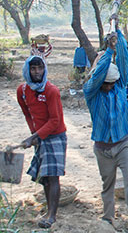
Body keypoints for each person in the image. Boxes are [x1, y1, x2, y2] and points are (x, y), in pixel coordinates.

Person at [83, 28, 128, 233]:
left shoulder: (119, 85)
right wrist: (108, 51)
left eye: (112, 83)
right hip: (102, 147)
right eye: (106, 83)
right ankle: (108, 219)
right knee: (107, 185)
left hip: (124, 142)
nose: (109, 87)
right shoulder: (91, 91)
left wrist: (116, 36)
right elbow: (100, 73)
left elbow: (123, 64)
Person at [15, 56, 67, 229]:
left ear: (44, 69)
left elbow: (54, 120)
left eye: (40, 68)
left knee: (53, 175)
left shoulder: (51, 91)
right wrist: (34, 135)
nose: (37, 72)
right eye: (33, 69)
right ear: (27, 71)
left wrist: (34, 137)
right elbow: (28, 114)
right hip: (40, 135)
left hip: (56, 136)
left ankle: (52, 215)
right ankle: (49, 210)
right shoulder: (22, 91)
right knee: (44, 177)